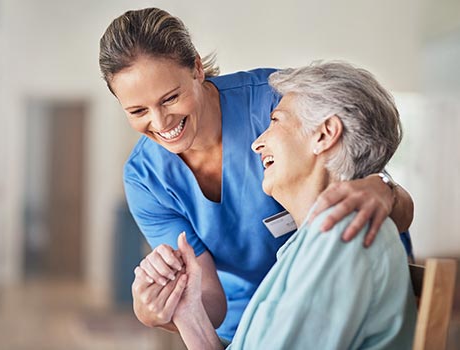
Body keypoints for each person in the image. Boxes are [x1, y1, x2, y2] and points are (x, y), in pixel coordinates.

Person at [99, 8, 415, 340]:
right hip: (253, 322)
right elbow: (203, 294)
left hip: (334, 289)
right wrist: (167, 306)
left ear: (196, 68)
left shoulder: (279, 102)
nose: (161, 123)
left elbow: (364, 163)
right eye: (137, 111)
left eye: (171, 98)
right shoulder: (146, 176)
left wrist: (383, 188)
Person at [170, 61, 417, 349]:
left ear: (324, 135)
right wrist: (190, 315)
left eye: (275, 121)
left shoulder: (342, 237)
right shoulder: (312, 242)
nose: (256, 143)